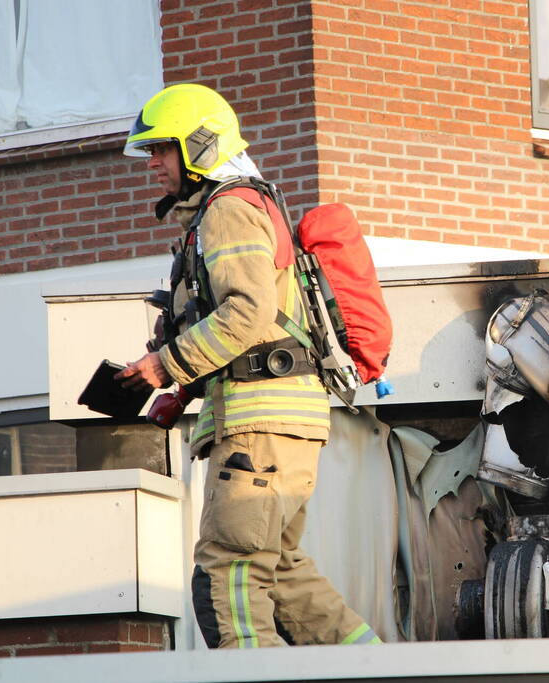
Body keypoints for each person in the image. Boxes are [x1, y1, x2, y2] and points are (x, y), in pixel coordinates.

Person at [115, 83, 381, 648]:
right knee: (280, 572)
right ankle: (374, 665)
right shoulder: (238, 206)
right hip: (279, 421)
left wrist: (166, 366)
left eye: (162, 149)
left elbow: (249, 311)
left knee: (228, 571)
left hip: (259, 424)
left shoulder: (228, 209)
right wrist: (181, 385)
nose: (154, 164)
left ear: (198, 146)